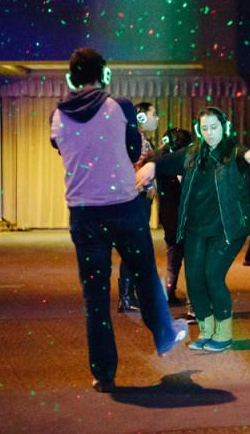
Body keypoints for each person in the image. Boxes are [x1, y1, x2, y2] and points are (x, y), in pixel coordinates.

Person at [50, 47, 187, 392]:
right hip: (123, 208)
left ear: (72, 77)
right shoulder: (120, 107)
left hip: (83, 215)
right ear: (104, 74)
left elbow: (60, 146)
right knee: (143, 274)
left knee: (94, 297)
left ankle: (103, 374)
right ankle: (165, 335)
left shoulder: (57, 116)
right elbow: (130, 149)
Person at [137, 107, 250, 353]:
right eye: (205, 128)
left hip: (227, 228)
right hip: (195, 228)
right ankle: (206, 331)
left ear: (224, 126)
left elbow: (247, 155)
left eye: (214, 127)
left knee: (212, 276)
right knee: (194, 279)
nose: (210, 133)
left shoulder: (234, 151)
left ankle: (223, 335)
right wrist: (151, 167)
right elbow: (166, 161)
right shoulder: (193, 153)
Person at [116, 101, 160, 313]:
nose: (157, 118)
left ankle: (129, 295)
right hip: (136, 199)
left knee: (135, 247)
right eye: (154, 114)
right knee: (133, 247)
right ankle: (126, 297)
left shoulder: (140, 140)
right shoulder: (136, 141)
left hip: (138, 200)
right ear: (141, 117)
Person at [157, 127, 193, 307]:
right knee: (193, 264)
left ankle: (168, 294)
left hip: (169, 219)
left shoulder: (162, 163)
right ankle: (193, 305)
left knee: (173, 262)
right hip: (187, 221)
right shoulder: (186, 164)